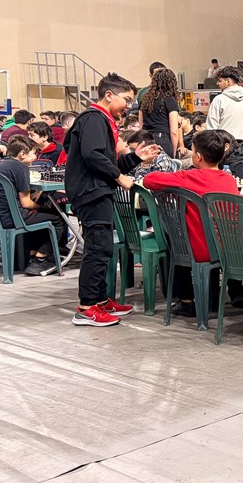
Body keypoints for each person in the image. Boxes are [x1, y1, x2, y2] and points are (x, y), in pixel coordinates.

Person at [65, 74, 157, 326]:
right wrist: (119, 177)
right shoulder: (94, 119)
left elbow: (108, 162)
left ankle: (99, 300)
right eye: (126, 99)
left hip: (97, 190)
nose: (128, 105)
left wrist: (136, 158)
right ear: (108, 95)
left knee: (102, 247)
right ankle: (86, 308)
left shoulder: (101, 120)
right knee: (97, 248)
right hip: (90, 192)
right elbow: (92, 156)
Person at [141, 130, 243, 317]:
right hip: (232, 249)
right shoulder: (229, 179)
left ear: (198, 157)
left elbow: (149, 180)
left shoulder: (189, 177)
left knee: (178, 241)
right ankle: (238, 291)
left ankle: (186, 300)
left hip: (199, 250)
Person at [0, 135, 68, 275]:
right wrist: (44, 207)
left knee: (40, 216)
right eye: (33, 153)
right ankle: (40, 260)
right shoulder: (20, 167)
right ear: (22, 154)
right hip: (13, 218)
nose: (35, 157)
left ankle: (31, 255)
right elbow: (26, 204)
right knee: (58, 217)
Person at [207, 66, 243, 159]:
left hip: (224, 154)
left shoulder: (219, 100)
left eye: (219, 81)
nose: (217, 83)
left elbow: (211, 131)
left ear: (228, 81)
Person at [139, 67, 184, 158]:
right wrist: (173, 151)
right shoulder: (170, 100)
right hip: (163, 140)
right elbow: (174, 131)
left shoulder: (145, 99)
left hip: (146, 140)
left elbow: (140, 125)